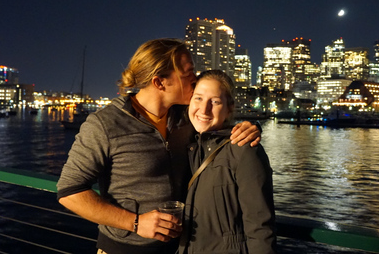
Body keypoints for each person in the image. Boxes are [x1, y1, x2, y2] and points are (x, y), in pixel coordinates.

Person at [57, 39, 261, 254]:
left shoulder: (186, 117)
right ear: (159, 83)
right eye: (188, 73)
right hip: (123, 249)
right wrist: (135, 223)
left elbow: (218, 126)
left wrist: (249, 127)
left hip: (181, 248)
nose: (196, 78)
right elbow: (70, 191)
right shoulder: (106, 124)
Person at [179, 70, 277, 254]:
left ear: (229, 107)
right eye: (198, 98)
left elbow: (260, 226)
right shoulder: (190, 145)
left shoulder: (244, 149)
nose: (204, 109)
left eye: (214, 102)